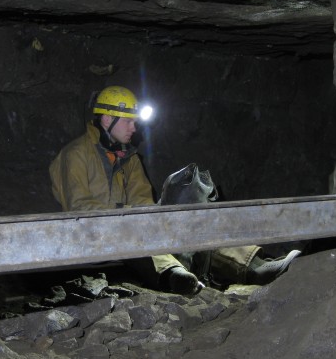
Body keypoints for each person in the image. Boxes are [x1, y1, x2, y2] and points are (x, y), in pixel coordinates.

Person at [49, 85, 300, 294]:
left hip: (129, 226)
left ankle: (255, 266)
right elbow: (78, 208)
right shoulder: (76, 155)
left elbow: (143, 202)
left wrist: (165, 218)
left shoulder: (130, 159)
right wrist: (129, 214)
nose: (133, 128)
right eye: (128, 121)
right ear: (107, 119)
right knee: (134, 232)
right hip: (93, 237)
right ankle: (174, 275)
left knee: (189, 222)